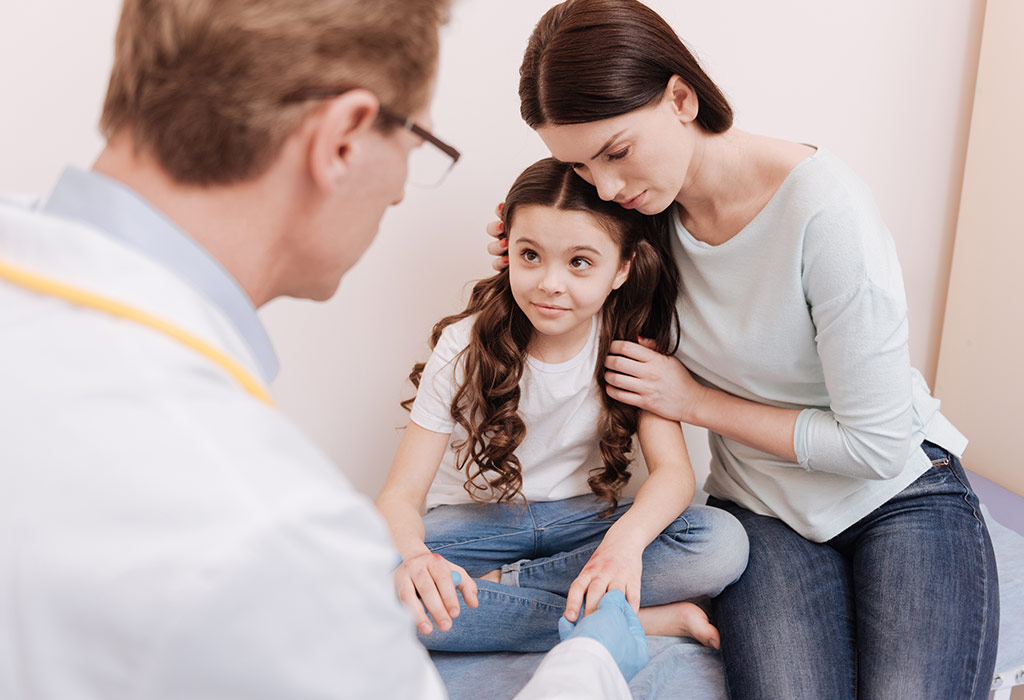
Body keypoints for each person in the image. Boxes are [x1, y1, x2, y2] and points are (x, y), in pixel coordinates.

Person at [0, 1, 649, 698]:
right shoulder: (276, 530)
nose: (401, 189)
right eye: (416, 143)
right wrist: (593, 662)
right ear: (342, 138)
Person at [482, 0, 1000, 698]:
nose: (606, 186)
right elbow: (569, 278)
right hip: (762, 510)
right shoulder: (641, 217)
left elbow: (876, 446)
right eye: (580, 165)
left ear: (681, 97)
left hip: (897, 494)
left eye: (616, 152)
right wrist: (534, 256)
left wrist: (696, 402)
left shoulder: (826, 214)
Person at [376, 157, 748, 653]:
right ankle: (639, 620)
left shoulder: (631, 344)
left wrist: (623, 547)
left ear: (621, 269)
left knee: (721, 544)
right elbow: (399, 496)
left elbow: (674, 474)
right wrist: (416, 561)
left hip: (584, 522)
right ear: (508, 249)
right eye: (531, 256)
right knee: (371, 585)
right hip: (476, 526)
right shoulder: (463, 345)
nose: (550, 283)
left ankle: (497, 590)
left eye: (579, 262)